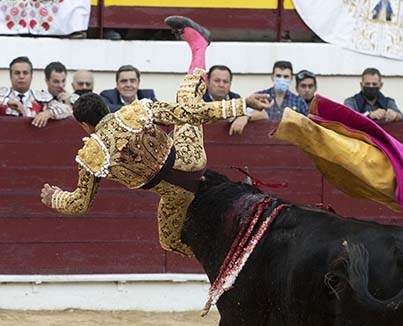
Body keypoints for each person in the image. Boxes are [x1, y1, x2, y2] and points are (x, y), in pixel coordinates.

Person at [40, 16, 271, 257]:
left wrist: (55, 198)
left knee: (170, 242)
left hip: (176, 195)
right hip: (190, 160)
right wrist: (240, 105)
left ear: (85, 126)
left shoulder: (91, 156)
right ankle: (199, 46)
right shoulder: (136, 111)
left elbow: (80, 204)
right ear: (106, 108)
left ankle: (225, 257)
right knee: (186, 98)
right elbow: (191, 113)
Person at [202, 64, 248, 136]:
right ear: (207, 82)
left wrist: (245, 117)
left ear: (230, 84)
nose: (221, 85)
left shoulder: (236, 98)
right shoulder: (198, 99)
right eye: (217, 81)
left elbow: (262, 113)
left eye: (225, 81)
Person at [30, 61, 74, 128]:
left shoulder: (73, 99)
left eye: (63, 81)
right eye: (56, 82)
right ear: (47, 81)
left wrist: (68, 103)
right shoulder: (37, 98)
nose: (61, 85)